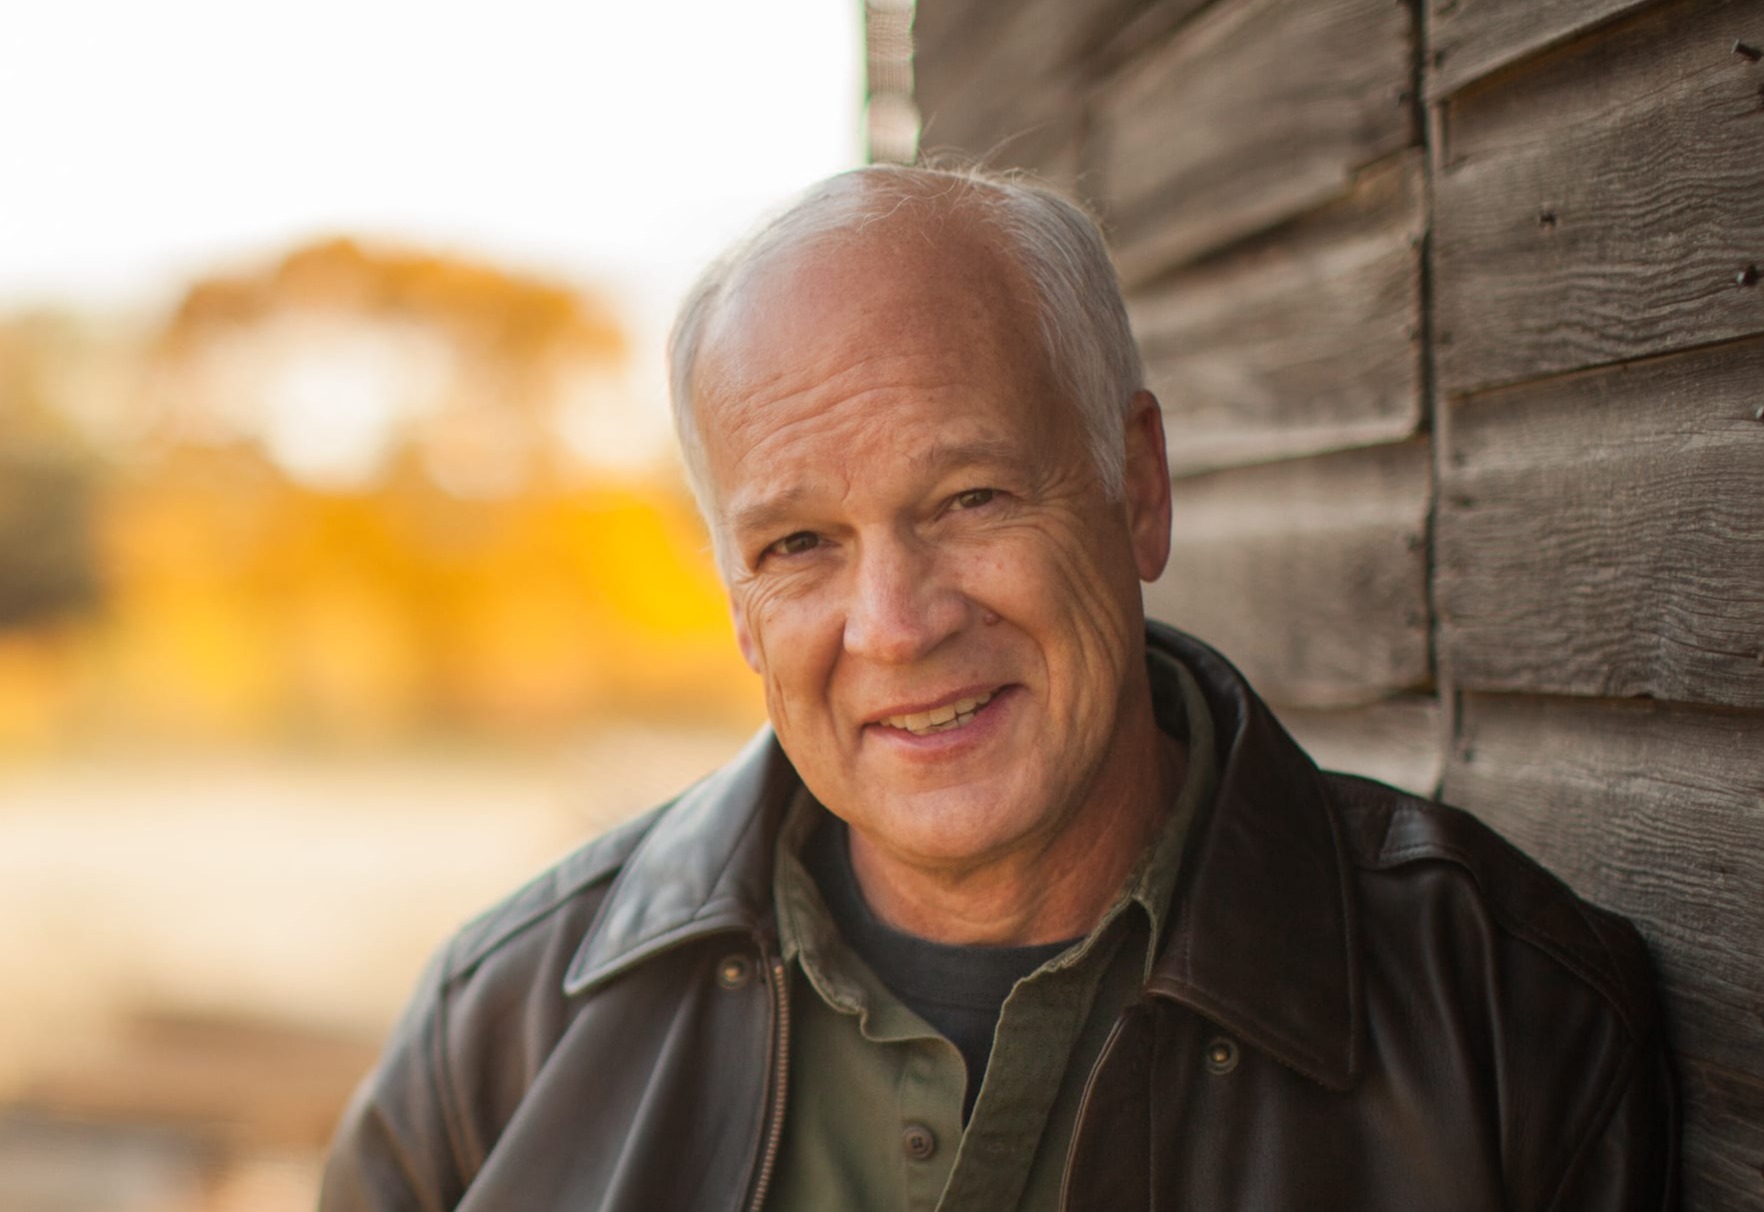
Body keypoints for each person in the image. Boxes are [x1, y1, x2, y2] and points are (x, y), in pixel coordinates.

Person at [320, 165, 1678, 1211]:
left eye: (970, 498)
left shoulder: (1505, 1015)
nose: (895, 626)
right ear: (738, 600)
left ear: (1133, 486)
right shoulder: (499, 1033)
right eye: (801, 545)